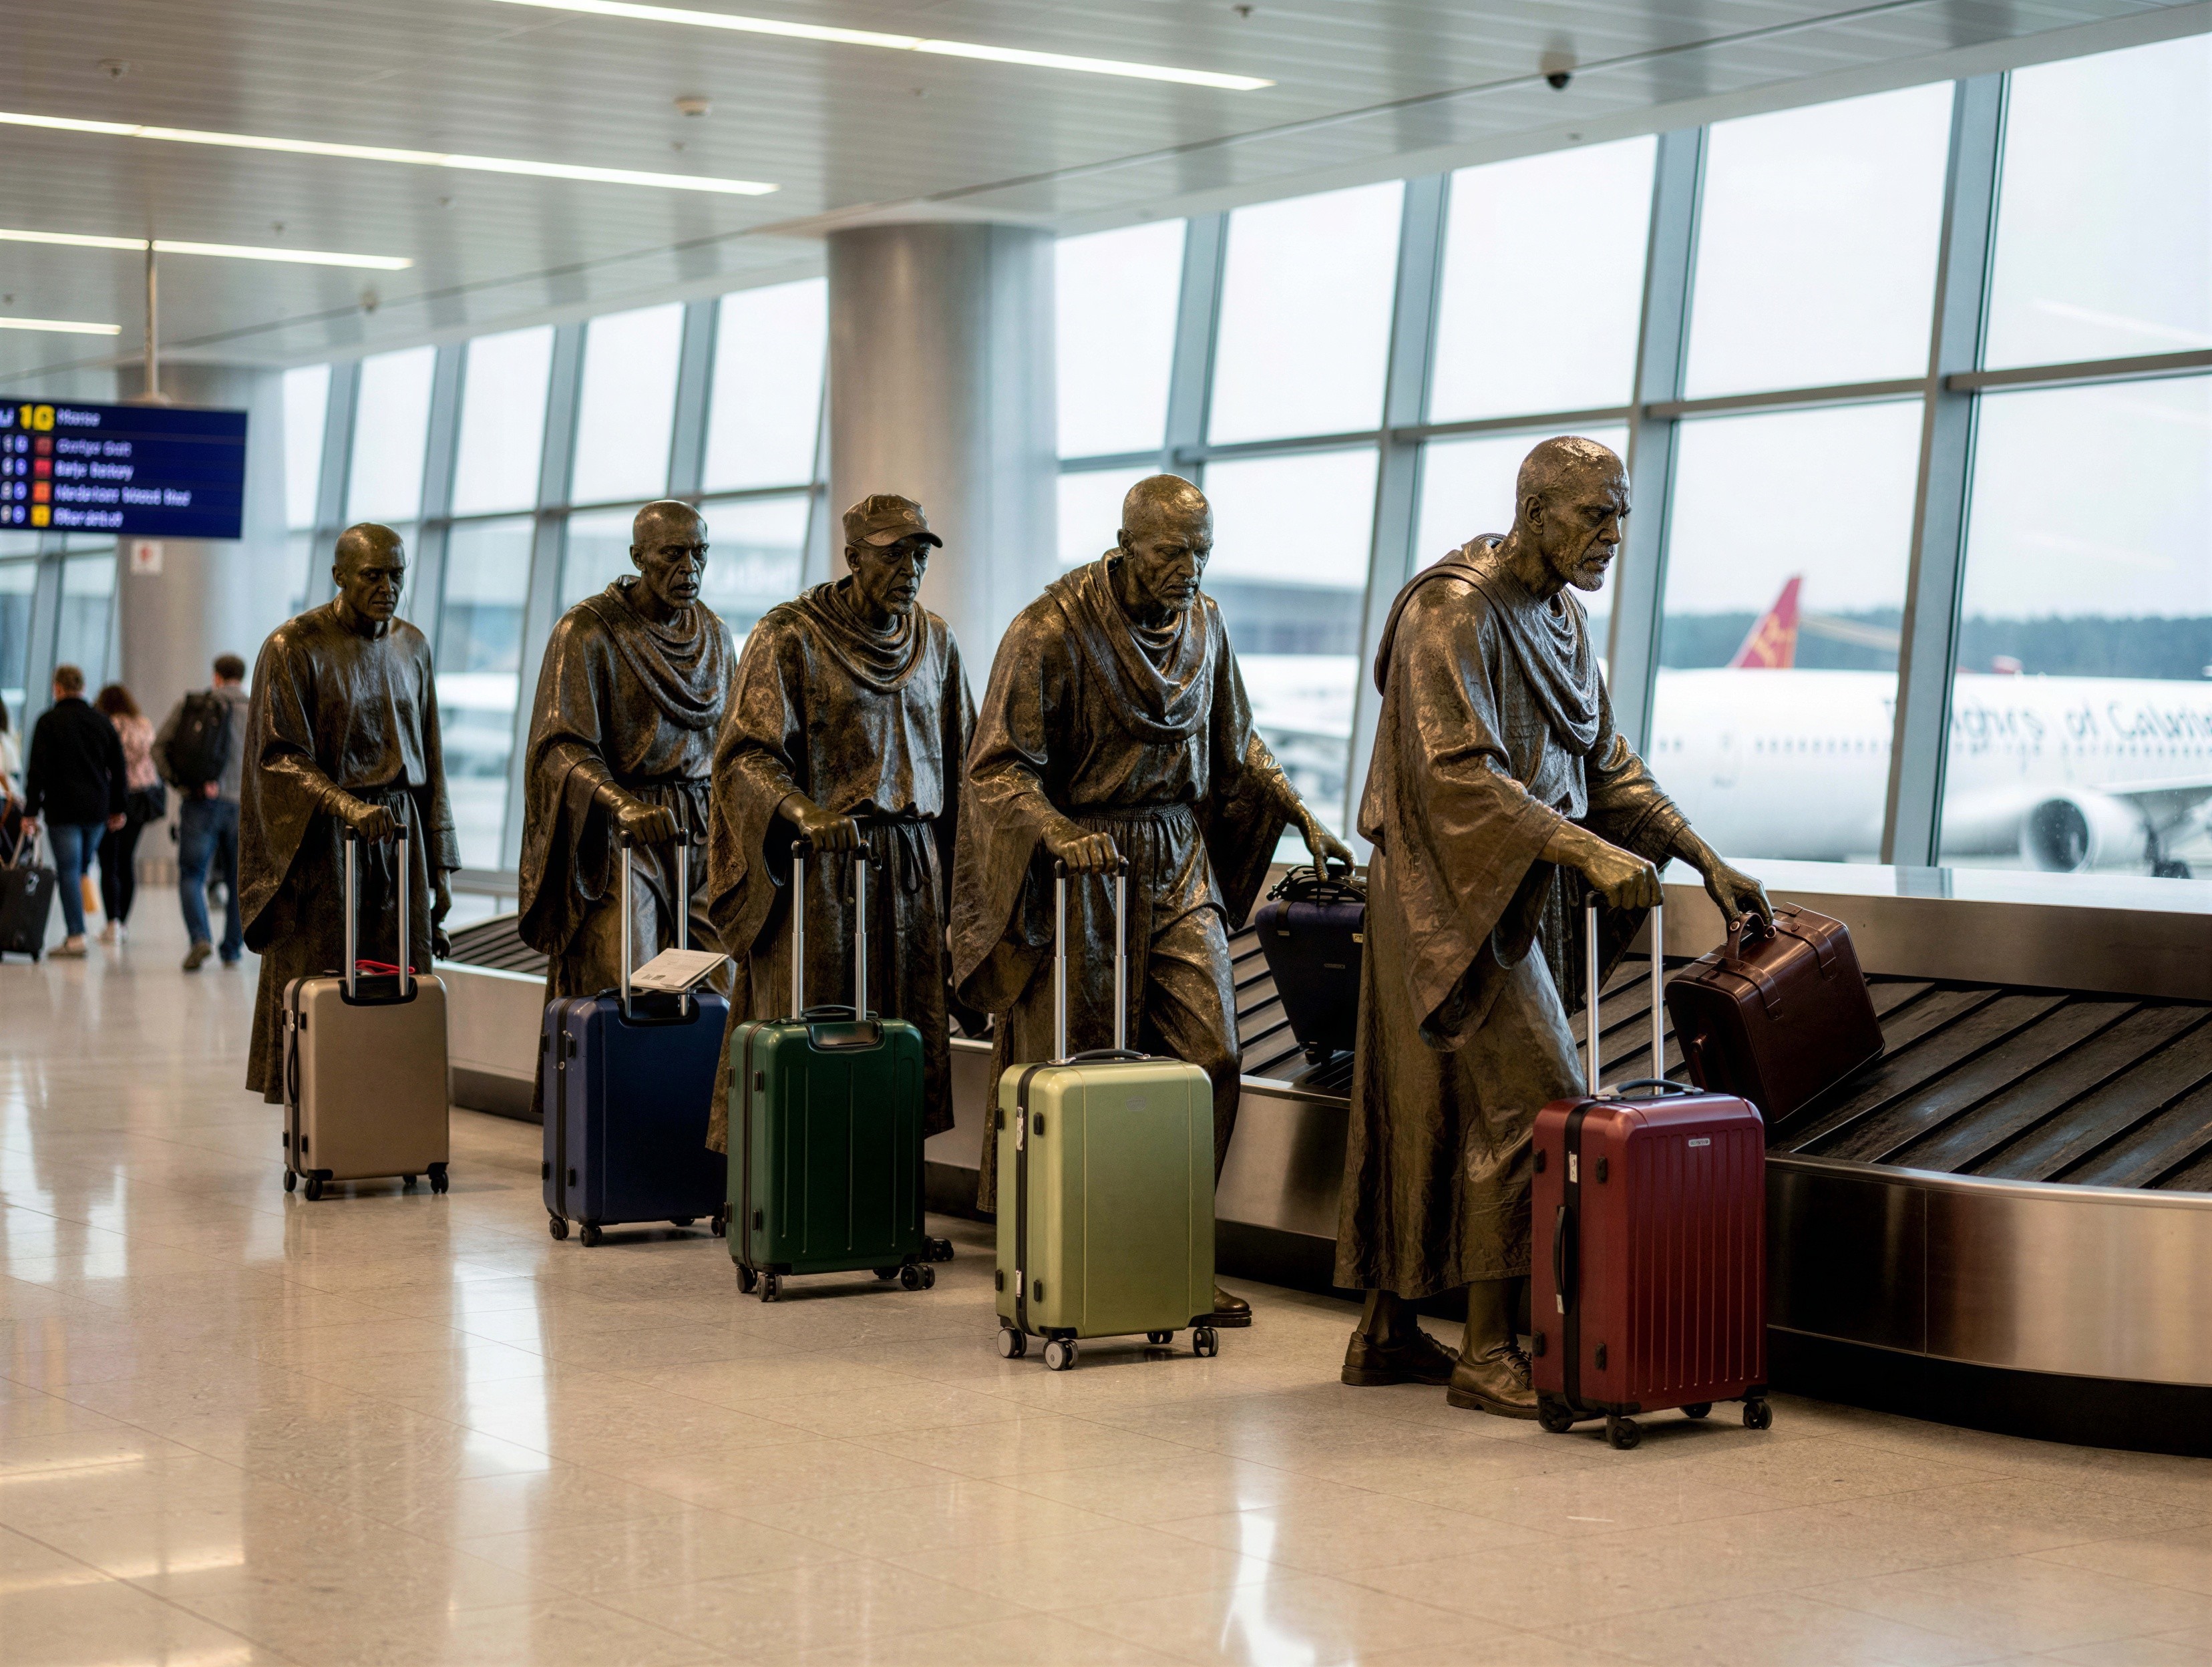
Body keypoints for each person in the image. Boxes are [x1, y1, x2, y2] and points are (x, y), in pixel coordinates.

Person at [1333, 435, 1770, 1417]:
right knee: (1536, 1101)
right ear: (1534, 512)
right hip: (1445, 895)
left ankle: (1386, 1328)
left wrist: (1700, 853)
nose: (1612, 535)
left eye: (1622, 517)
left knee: (1435, 1104)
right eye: (1594, 515)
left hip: (1515, 891)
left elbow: (1605, 763)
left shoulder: (1563, 619)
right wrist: (1585, 852)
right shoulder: (1452, 610)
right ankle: (1488, 1352)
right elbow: (1457, 778)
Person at [950, 474, 1352, 1328]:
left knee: (1213, 1055)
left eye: (1201, 553)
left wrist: (1296, 809)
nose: (1189, 570)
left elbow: (1236, 741)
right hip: (1084, 863)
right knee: (1084, 1068)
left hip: (1176, 854)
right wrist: (1056, 832)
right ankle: (1070, 1254)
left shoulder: (1207, 626)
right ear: (1126, 545)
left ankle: (1176, 1252)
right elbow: (997, 768)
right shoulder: (1049, 629)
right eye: (1172, 553)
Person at [705, 494, 976, 1177]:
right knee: (815, 1027)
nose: (910, 570)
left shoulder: (936, 642)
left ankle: (884, 1200)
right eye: (893, 555)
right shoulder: (789, 636)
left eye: (919, 555)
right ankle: (795, 1192)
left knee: (902, 1033)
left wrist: (967, 897)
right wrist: (803, 813)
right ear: (853, 557)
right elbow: (744, 757)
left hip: (911, 872)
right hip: (820, 869)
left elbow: (965, 769)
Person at [518, 500, 736, 1116]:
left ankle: (695, 1130)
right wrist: (621, 806)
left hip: (701, 828)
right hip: (621, 832)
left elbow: (733, 744)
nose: (690, 567)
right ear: (639, 557)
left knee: (719, 982)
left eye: (699, 553)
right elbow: (560, 747)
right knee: (627, 983)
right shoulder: (587, 631)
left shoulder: (716, 635)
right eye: (673, 554)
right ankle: (615, 1130)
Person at [239, 524, 459, 1103]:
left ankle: (390, 1110)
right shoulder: (294, 646)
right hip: (323, 841)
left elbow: (431, 759)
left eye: (397, 575)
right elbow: (279, 756)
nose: (389, 587)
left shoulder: (413, 645)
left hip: (400, 837)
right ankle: (322, 1116)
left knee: (401, 984)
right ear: (339, 575)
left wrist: (440, 865)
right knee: (325, 982)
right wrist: (346, 807)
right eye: (373, 575)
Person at [19, 664, 126, 958]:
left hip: (62, 808)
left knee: (69, 869)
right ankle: (84, 926)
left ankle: (76, 935)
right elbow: (118, 768)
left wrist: (30, 811)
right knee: (80, 867)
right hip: (97, 810)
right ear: (83, 688)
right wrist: (119, 807)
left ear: (57, 688)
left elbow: (36, 771)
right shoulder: (101, 721)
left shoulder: (48, 722)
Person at [156, 655, 251, 970]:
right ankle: (232, 949)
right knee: (240, 881)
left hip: (200, 803)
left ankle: (200, 938)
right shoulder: (259, 710)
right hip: (243, 808)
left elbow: (158, 748)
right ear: (242, 677)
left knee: (192, 874)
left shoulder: (195, 707)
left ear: (217, 677)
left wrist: (181, 784)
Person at [93, 683, 162, 944]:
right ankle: (123, 923)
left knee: (109, 861)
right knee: (126, 859)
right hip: (142, 796)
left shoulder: (107, 725)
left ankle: (112, 922)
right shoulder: (143, 725)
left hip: (114, 796)